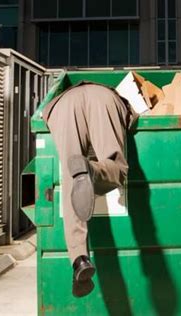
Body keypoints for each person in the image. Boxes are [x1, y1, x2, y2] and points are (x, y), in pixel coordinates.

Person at [42, 82, 137, 297]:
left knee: (70, 181)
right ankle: (92, 170)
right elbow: (133, 118)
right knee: (115, 167)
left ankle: (79, 258)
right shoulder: (110, 92)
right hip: (103, 99)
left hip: (62, 106)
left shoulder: (62, 93)